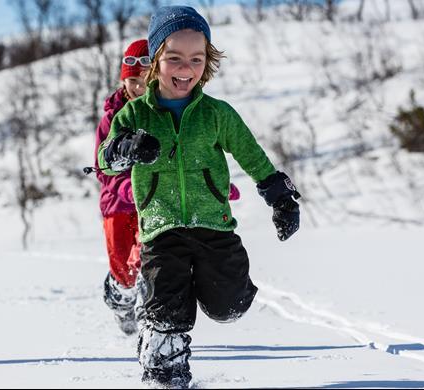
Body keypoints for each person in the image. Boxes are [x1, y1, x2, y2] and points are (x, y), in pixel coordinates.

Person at [97, 6, 300, 387]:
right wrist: (123, 147)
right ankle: (163, 369)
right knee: (166, 310)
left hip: (214, 225)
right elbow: (104, 161)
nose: (185, 68)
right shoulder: (136, 115)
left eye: (196, 58)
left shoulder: (217, 115)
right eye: (174, 58)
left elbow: (251, 154)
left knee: (230, 306)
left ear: (207, 63)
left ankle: (193, 295)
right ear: (155, 62)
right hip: (160, 228)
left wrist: (280, 196)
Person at [94, 39, 151, 336]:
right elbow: (103, 168)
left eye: (143, 82)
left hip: (150, 201)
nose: (137, 89)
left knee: (145, 258)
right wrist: (127, 186)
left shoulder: (158, 113)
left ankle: (148, 310)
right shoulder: (110, 119)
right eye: (132, 81)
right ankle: (119, 300)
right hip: (117, 204)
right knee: (122, 267)